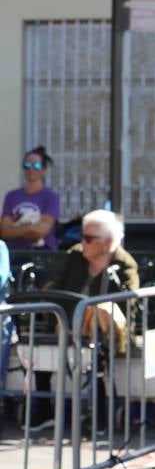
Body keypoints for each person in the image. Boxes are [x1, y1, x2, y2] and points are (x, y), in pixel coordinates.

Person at [48, 209, 140, 353]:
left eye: (88, 239)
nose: (82, 242)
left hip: (103, 339)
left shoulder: (124, 265)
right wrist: (59, 322)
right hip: (67, 331)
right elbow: (57, 291)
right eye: (81, 236)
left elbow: (126, 306)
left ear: (107, 241)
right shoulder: (75, 255)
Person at [4, 146, 60, 253]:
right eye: (27, 165)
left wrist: (16, 228)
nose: (31, 169)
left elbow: (42, 231)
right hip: (15, 253)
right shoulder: (11, 196)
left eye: (36, 166)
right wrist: (32, 228)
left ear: (43, 169)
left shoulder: (51, 196)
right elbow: (5, 231)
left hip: (43, 253)